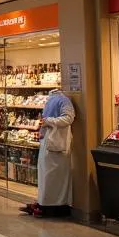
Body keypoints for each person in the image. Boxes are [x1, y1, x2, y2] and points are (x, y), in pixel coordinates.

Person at [21, 88, 76, 217]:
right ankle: (44, 203)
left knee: (51, 175)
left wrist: (49, 121)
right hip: (51, 142)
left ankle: (51, 205)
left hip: (56, 143)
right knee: (48, 174)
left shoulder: (62, 101)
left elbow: (68, 118)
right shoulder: (58, 100)